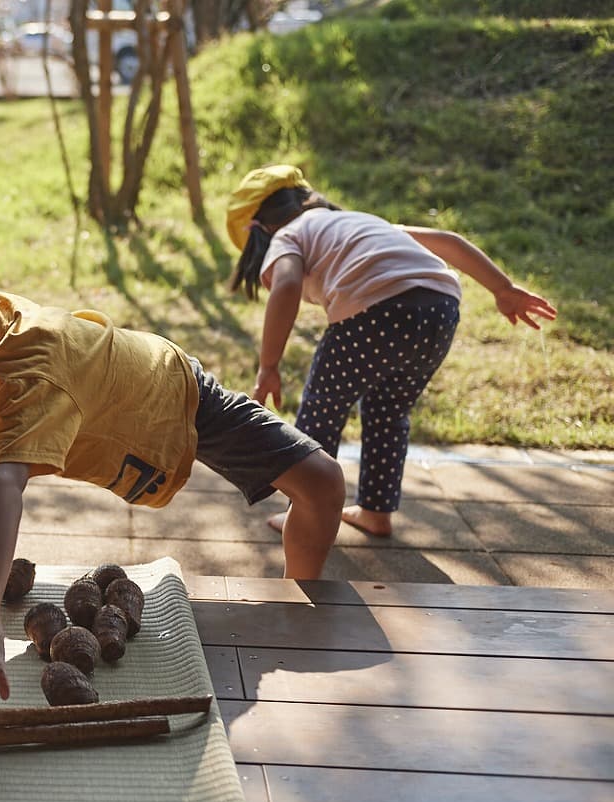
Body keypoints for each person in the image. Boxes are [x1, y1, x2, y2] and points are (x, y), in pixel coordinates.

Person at [0, 200, 345, 721]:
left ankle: (294, 601)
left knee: (322, 483)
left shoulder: (31, 374)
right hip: (45, 411)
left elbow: (5, 484)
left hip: (164, 397)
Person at [226, 165, 557, 537]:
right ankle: (376, 511)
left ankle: (304, 512)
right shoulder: (361, 222)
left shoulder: (287, 235)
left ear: (257, 230)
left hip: (373, 314)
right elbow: (448, 242)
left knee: (323, 407)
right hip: (441, 311)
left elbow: (285, 284)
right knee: (389, 409)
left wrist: (268, 366)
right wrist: (503, 288)